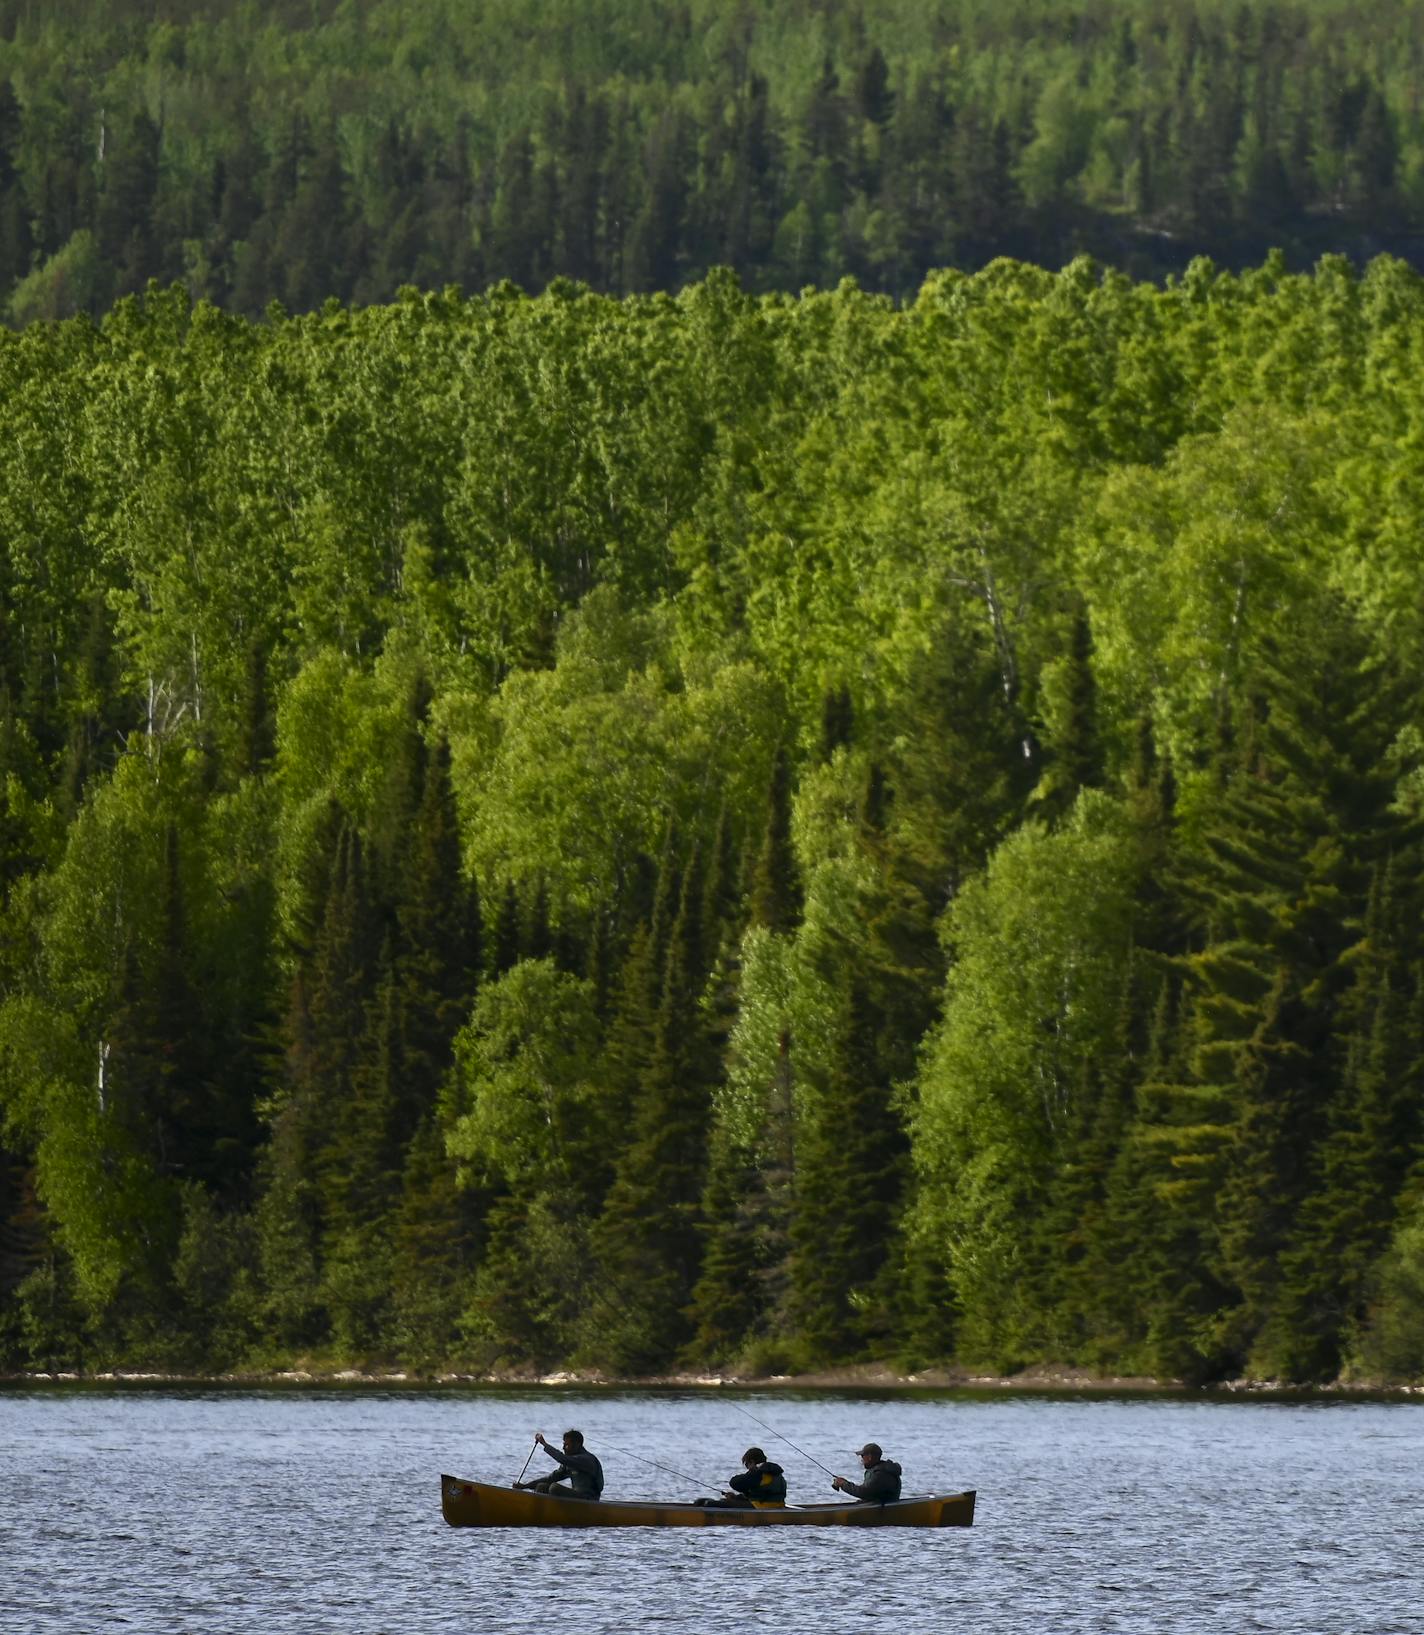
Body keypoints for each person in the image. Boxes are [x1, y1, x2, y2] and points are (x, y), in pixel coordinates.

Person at [515, 1429, 605, 1499]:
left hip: (588, 1499)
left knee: (554, 1488)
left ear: (577, 1445)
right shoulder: (569, 1461)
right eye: (563, 1444)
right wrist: (525, 1486)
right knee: (541, 1486)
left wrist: (544, 1444)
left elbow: (562, 1458)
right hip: (576, 1497)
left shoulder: (586, 1459)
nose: (563, 1448)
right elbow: (551, 1478)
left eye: (566, 1445)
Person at [693, 1446, 788, 1508]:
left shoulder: (758, 1473)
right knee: (709, 1502)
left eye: (747, 1465)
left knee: (707, 1503)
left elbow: (734, 1483)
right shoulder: (776, 1473)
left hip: (760, 1507)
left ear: (752, 1462)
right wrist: (736, 1497)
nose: (747, 1468)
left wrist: (752, 1471)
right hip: (776, 1505)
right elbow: (760, 1493)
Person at [830, 1443, 902, 1503]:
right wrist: (845, 1482)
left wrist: (843, 1484)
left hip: (882, 1511)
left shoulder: (880, 1474)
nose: (861, 1459)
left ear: (870, 1457)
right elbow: (870, 1492)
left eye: (862, 1456)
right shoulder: (883, 1470)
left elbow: (864, 1492)